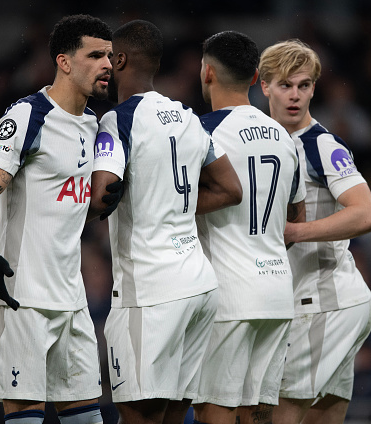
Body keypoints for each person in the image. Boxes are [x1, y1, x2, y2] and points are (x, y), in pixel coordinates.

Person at [88, 20, 243, 424]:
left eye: (108, 57)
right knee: (173, 416)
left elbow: (102, 193)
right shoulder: (187, 117)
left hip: (151, 291)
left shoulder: (118, 120)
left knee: (137, 416)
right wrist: (174, 205)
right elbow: (231, 189)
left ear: (121, 60)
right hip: (198, 286)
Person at [0, 14, 114, 424]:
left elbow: (71, 204)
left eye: (109, 55)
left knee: (88, 418)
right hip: (23, 297)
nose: (107, 64)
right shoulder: (28, 115)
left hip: (72, 299)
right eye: (95, 55)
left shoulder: (94, 124)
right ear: (64, 62)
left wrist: (104, 204)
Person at [258, 39, 371, 424]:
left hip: (325, 304)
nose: (295, 95)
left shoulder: (321, 145)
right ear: (264, 86)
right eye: (285, 85)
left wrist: (296, 231)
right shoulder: (264, 140)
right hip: (321, 303)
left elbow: (367, 214)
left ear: (314, 88)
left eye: (304, 85)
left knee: (275, 413)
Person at [191, 31, 306, 424]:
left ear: (207, 73)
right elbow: (297, 218)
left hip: (229, 295)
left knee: (214, 409)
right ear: (256, 77)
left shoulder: (201, 131)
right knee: (257, 412)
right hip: (277, 291)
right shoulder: (285, 138)